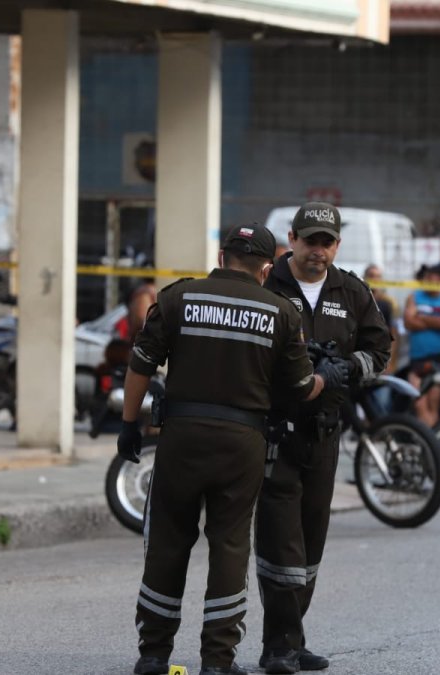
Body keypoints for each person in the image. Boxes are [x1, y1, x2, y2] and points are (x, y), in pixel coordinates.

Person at [119, 224, 349, 675]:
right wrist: (329, 378)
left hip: (181, 437)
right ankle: (217, 660)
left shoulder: (176, 298)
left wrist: (130, 425)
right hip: (242, 444)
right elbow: (300, 387)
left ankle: (153, 654)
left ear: (222, 257)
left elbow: (140, 365)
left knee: (167, 542)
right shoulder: (281, 313)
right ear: (266, 269)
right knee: (228, 545)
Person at [255, 202, 392, 674]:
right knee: (281, 542)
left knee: (311, 544)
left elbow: (381, 349)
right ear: (291, 238)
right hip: (274, 433)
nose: (317, 251)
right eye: (309, 240)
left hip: (325, 434)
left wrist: (348, 368)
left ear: (336, 245)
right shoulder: (267, 283)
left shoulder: (351, 291)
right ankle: (278, 648)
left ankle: (292, 637)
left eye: (326, 242)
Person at [403, 264, 440, 428]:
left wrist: (421, 317)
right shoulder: (414, 297)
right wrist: (435, 319)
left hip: (439, 357)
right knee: (419, 402)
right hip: (418, 358)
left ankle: (430, 437)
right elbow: (408, 322)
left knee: (433, 402)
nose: (427, 281)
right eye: (426, 278)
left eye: (431, 278)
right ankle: (429, 437)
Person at [363, 264, 401, 374]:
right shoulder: (357, 300)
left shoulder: (389, 304)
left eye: (378, 276)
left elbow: (393, 336)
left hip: (380, 358)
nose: (374, 279)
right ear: (364, 277)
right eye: (371, 275)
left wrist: (391, 363)